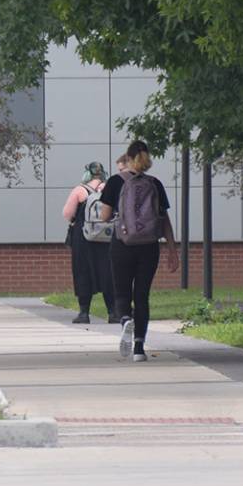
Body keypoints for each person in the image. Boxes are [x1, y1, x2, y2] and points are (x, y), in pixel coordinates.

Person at [97, 140, 177, 360]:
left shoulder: (115, 182)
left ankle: (125, 321)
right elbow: (164, 220)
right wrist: (172, 250)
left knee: (121, 292)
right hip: (149, 247)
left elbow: (104, 216)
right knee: (142, 295)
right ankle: (139, 349)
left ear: (129, 158)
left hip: (122, 244)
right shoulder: (155, 183)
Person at [62, 161, 116, 324]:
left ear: (87, 173)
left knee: (82, 271)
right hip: (107, 237)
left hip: (83, 237)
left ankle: (84, 313)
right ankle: (113, 312)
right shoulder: (109, 188)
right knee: (109, 273)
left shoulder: (80, 190)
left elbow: (67, 214)